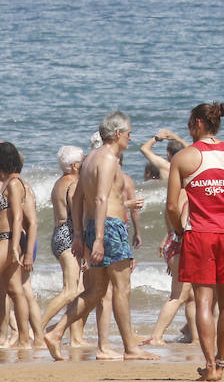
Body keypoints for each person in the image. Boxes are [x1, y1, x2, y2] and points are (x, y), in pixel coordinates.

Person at [43, 112, 156, 361]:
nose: (130, 137)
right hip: (110, 227)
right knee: (122, 288)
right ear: (117, 134)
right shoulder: (107, 160)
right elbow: (101, 197)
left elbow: (78, 198)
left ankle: (56, 332)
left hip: (95, 226)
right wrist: (97, 239)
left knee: (95, 291)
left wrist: (81, 234)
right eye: (128, 133)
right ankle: (131, 348)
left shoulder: (89, 159)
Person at [166, 102, 224, 380]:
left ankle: (209, 367)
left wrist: (180, 231)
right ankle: (220, 362)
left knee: (203, 301)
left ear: (197, 123)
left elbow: (172, 205)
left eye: (188, 123)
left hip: (200, 233)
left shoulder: (183, 158)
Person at [38, 146, 85, 343]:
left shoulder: (59, 182)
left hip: (58, 236)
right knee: (70, 291)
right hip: (68, 237)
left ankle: (73, 337)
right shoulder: (73, 184)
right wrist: (81, 239)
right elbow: (77, 216)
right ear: (74, 165)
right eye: (82, 161)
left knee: (77, 289)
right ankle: (38, 330)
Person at [0, 143, 28, 346]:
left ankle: (24, 338)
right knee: (13, 290)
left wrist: (14, 247)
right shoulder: (7, 182)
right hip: (6, 238)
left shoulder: (14, 183)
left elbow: (18, 216)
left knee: (14, 290)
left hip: (8, 238)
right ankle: (16, 338)